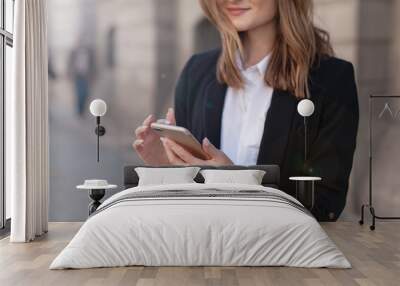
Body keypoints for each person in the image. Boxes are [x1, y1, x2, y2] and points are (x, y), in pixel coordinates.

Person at [133, 0, 359, 221]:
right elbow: (186, 199)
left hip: (276, 253)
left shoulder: (332, 80)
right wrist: (164, 167)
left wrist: (235, 182)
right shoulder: (196, 71)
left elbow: (325, 204)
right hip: (200, 247)